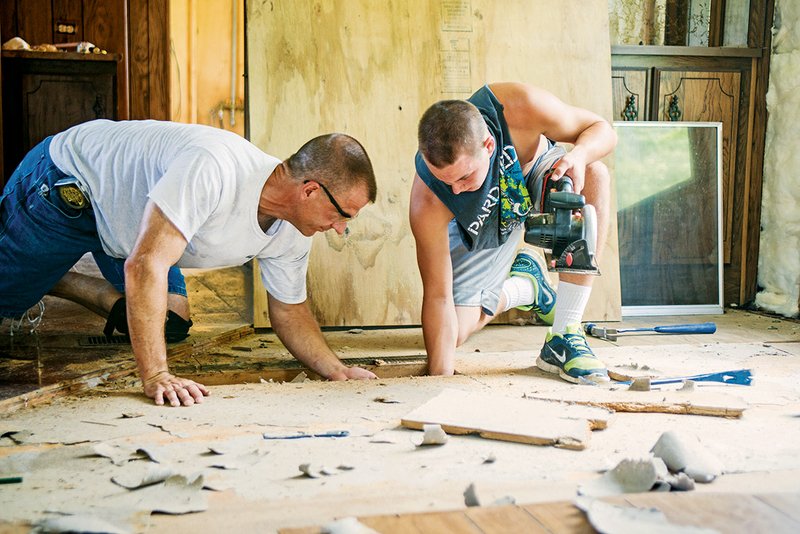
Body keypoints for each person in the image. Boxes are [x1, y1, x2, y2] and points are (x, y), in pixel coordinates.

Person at [0, 119, 379, 406]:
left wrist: (336, 370)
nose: (340, 229)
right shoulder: (214, 168)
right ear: (310, 190)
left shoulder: (295, 229)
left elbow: (290, 311)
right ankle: (43, 270)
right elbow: (145, 266)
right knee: (9, 301)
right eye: (343, 214)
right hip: (71, 186)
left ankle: (55, 277)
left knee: (171, 319)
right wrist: (157, 375)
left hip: (134, 231)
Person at [410, 82, 617, 383]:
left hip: (533, 175)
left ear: (489, 146)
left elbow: (602, 129)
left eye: (464, 176)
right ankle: (527, 287)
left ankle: (564, 333)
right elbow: (438, 296)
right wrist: (437, 379)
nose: (455, 188)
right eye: (446, 180)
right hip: (481, 221)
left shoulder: (521, 107)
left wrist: (580, 156)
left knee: (595, 175)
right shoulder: (429, 199)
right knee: (454, 332)